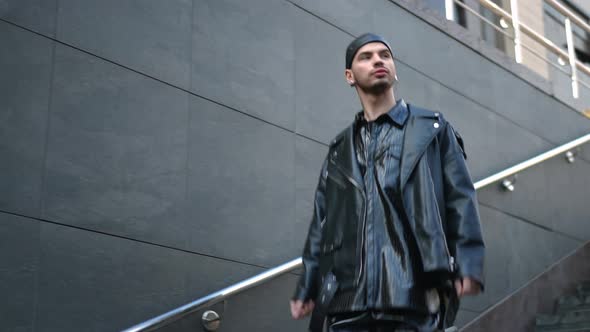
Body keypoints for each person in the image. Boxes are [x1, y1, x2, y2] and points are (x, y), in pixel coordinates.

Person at [290, 33, 485, 332]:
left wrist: (468, 262)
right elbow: (322, 222)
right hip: (347, 302)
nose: (378, 60)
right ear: (349, 76)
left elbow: (460, 198)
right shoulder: (339, 148)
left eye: (385, 55)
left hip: (413, 294)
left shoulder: (432, 129)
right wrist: (307, 285)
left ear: (394, 69)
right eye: (365, 57)